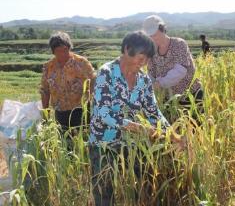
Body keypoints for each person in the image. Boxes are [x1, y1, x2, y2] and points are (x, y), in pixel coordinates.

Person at [89, 31, 182, 206]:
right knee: (104, 191)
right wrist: (138, 127)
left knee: (143, 186)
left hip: (133, 143)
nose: (144, 63)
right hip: (104, 143)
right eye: (141, 57)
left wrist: (173, 135)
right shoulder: (106, 73)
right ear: (127, 49)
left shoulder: (144, 81)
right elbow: (103, 113)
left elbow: (153, 112)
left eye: (147, 59)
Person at [142, 15, 203, 123]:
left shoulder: (179, 44)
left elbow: (180, 71)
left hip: (190, 95)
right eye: (150, 36)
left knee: (194, 128)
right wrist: (149, 85)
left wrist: (159, 83)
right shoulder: (152, 49)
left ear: (163, 30)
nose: (152, 38)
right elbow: (151, 72)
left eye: (155, 35)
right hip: (169, 98)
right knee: (174, 129)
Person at [39, 31, 95, 136]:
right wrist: (46, 115)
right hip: (60, 113)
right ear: (53, 51)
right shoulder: (48, 67)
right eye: (58, 51)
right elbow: (45, 91)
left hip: (81, 111)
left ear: (69, 48)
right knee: (64, 144)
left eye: (65, 50)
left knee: (83, 143)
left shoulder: (82, 63)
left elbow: (94, 81)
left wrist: (90, 101)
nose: (62, 54)